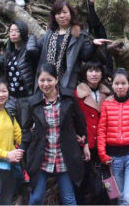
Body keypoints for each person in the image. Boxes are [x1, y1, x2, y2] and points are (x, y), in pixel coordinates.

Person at [21, 63, 90, 205]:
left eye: (49, 80)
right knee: (36, 198)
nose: (45, 84)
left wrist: (85, 143)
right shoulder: (33, 102)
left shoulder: (68, 98)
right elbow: (25, 128)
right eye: (42, 80)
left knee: (68, 198)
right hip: (42, 155)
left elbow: (80, 123)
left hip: (64, 154)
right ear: (37, 81)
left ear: (56, 80)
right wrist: (23, 148)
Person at [97, 68, 129, 205]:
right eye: (117, 83)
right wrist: (102, 154)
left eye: (123, 83)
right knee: (118, 196)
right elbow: (102, 130)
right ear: (112, 85)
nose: (120, 87)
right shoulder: (107, 104)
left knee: (128, 197)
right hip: (113, 158)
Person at [35, 0, 110, 90]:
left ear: (71, 14)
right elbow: (38, 48)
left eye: (64, 12)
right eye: (58, 13)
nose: (62, 16)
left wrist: (94, 45)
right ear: (54, 16)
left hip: (68, 79)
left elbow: (85, 56)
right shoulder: (50, 33)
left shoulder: (78, 34)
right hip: (47, 79)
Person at [74, 61, 112, 205]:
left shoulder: (108, 94)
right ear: (85, 73)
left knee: (108, 179)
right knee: (83, 181)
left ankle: (109, 202)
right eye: (90, 71)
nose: (94, 74)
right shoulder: (77, 95)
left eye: (97, 71)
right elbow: (73, 119)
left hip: (104, 144)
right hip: (85, 144)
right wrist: (80, 138)